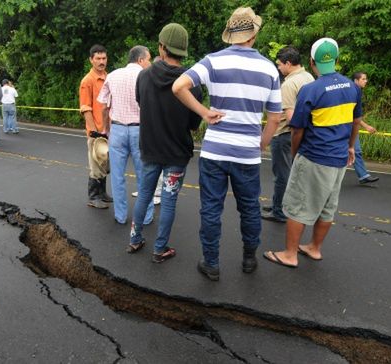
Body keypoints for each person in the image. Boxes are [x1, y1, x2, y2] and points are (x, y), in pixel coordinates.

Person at [173, 7, 282, 279]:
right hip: (247, 154)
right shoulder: (269, 68)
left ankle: (211, 264)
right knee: (250, 208)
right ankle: (248, 259)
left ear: (231, 34)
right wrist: (262, 144)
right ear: (254, 33)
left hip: (215, 151)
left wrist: (204, 112)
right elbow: (275, 117)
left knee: (211, 208)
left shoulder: (212, 61)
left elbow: (178, 87)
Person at [263, 37, 363, 268]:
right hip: (339, 159)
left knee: (298, 205)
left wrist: (297, 154)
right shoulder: (352, 87)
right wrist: (350, 146)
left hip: (315, 155)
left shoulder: (311, 89)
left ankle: (290, 254)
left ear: (312, 61)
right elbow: (356, 122)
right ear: (337, 60)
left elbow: (297, 129)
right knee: (328, 206)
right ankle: (314, 248)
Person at [127, 23, 203, 263]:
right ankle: (160, 249)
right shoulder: (191, 81)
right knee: (168, 201)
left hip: (150, 148)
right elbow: (194, 122)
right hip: (177, 153)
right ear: (183, 51)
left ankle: (135, 239)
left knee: (145, 195)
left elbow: (141, 103)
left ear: (161, 48)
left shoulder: (144, 75)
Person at [97, 46, 153, 225]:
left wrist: (106, 130)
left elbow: (104, 106)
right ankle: (146, 216)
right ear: (140, 60)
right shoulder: (147, 76)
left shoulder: (112, 75)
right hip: (140, 130)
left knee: (117, 176)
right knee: (144, 175)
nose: (150, 63)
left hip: (117, 130)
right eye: (149, 59)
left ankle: (120, 216)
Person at [262, 46, 314, 223]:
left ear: (288, 63)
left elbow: (291, 119)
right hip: (302, 134)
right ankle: (280, 204)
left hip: (285, 134)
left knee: (282, 175)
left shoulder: (289, 84)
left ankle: (279, 211)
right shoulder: (308, 77)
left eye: (279, 64)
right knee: (291, 174)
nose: (278, 68)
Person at [79, 44, 111, 209]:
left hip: (108, 130)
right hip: (96, 132)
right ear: (91, 60)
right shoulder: (88, 81)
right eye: (98, 58)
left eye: (104, 58)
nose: (101, 61)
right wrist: (94, 132)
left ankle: (102, 193)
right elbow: (85, 108)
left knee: (104, 163)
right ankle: (93, 197)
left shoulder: (108, 77)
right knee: (95, 164)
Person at [352, 72, 379, 184]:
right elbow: (351, 114)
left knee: (356, 151)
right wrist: (366, 126)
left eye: (366, 79)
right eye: (363, 79)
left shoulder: (357, 91)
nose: (366, 81)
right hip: (344, 126)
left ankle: (363, 176)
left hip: (352, 125)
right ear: (356, 80)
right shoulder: (352, 91)